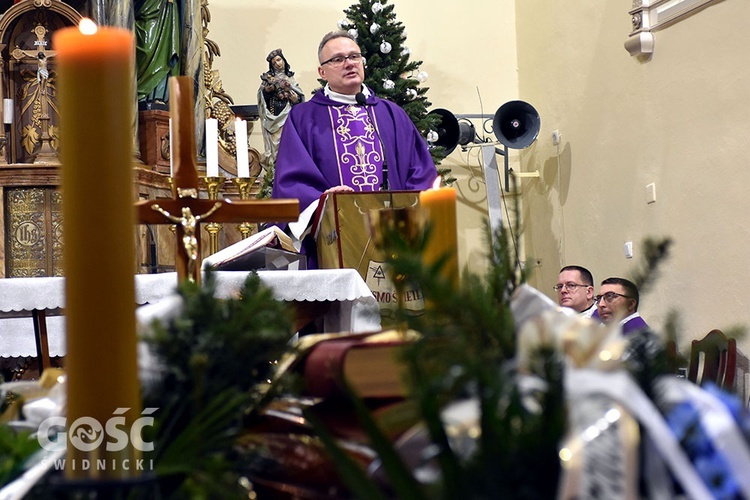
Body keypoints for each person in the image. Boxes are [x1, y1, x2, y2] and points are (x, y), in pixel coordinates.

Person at [272, 30, 438, 266]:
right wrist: (323, 202)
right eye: (338, 59)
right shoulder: (303, 118)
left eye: (354, 57)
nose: (349, 64)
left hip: (393, 240)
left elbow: (420, 172)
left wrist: (407, 215)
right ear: (322, 72)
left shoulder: (391, 114)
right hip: (333, 242)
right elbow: (292, 181)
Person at [258, 49, 304, 170]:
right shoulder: (268, 79)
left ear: (283, 60)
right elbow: (262, 99)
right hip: (273, 115)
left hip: (287, 114)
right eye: (274, 63)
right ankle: (274, 170)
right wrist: (267, 92)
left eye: (279, 60)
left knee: (288, 143)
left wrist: (295, 99)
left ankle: (288, 168)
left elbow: (300, 98)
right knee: (275, 145)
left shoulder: (291, 79)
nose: (277, 64)